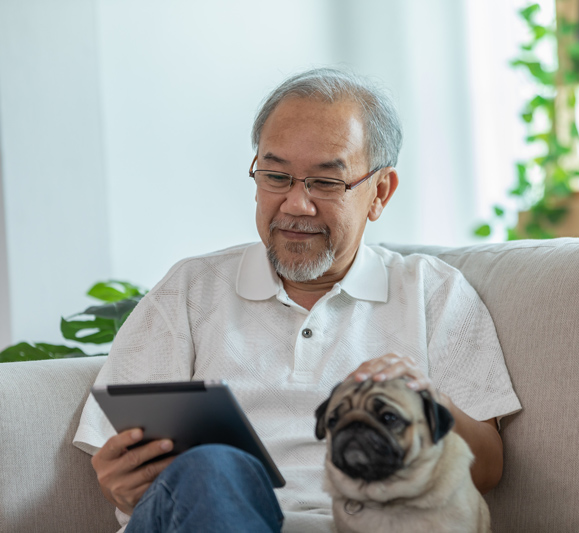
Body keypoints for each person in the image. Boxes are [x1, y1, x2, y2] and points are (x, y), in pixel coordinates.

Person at [73, 67, 521, 532]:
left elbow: (486, 470)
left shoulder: (433, 291)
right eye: (276, 176)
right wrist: (118, 482)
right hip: (204, 515)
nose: (295, 205)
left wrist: (430, 400)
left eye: (325, 183)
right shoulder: (190, 289)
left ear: (379, 192)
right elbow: (120, 464)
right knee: (213, 469)